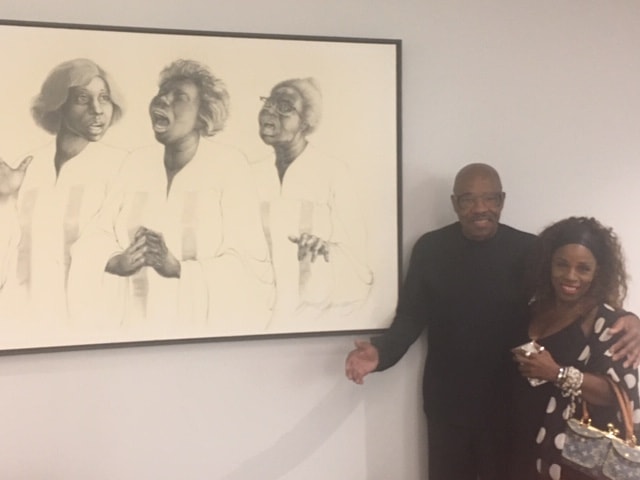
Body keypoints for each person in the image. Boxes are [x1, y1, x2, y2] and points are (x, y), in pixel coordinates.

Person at [344, 163, 640, 480]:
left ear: (502, 201)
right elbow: (411, 316)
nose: (480, 208)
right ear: (455, 203)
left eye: (489, 198)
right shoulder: (430, 249)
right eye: (468, 199)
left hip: (511, 405)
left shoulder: (529, 250)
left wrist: (630, 318)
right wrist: (381, 353)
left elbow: (570, 296)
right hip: (448, 403)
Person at [68, 59, 273, 333]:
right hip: (133, 330)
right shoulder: (136, 163)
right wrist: (116, 261)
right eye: (162, 93)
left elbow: (251, 268)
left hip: (197, 335)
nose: (163, 100)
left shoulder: (230, 166)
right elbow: (94, 237)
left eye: (179, 97)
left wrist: (177, 268)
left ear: (203, 114)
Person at [509, 217, 640, 480]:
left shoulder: (609, 323)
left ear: (598, 272)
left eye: (583, 268)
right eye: (562, 264)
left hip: (563, 454)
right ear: (549, 264)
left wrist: (556, 373)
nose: (570, 276)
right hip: (516, 442)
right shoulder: (534, 308)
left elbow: (616, 394)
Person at [0, 58, 127, 327]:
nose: (97, 110)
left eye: (104, 98)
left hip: (92, 322)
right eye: (82, 98)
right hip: (26, 319)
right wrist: (5, 198)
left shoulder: (123, 167)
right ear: (59, 104)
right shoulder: (27, 165)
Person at [251, 77, 373, 330]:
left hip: (316, 316)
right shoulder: (251, 174)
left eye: (284, 106)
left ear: (306, 122)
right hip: (260, 314)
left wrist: (326, 248)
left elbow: (360, 263)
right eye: (269, 103)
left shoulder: (333, 172)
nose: (270, 111)